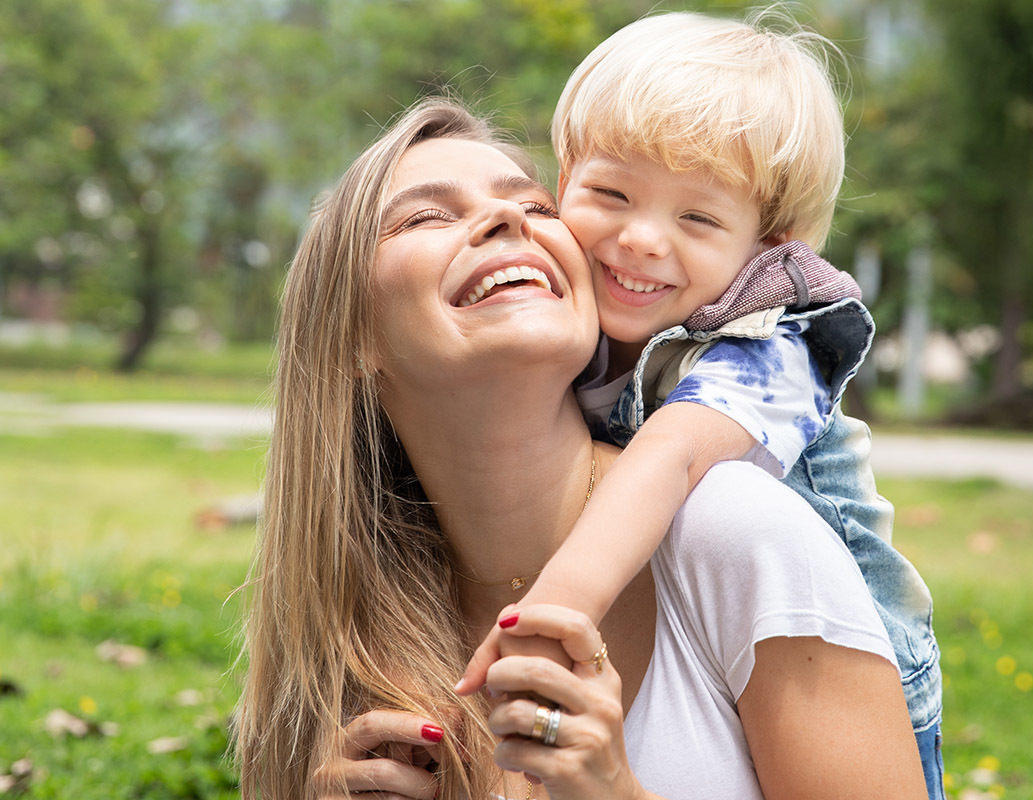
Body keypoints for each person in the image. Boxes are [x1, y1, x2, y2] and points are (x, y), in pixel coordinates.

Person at [234, 97, 928, 799]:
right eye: (426, 217)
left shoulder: (735, 530)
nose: (507, 221)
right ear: (352, 335)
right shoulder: (341, 644)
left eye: (535, 207)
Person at [458, 11, 945, 797]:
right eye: (611, 192)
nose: (643, 238)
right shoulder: (572, 320)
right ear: (562, 184)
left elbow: (670, 455)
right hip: (693, 630)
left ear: (767, 245)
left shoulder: (771, 342)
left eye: (697, 217)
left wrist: (550, 619)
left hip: (838, 664)